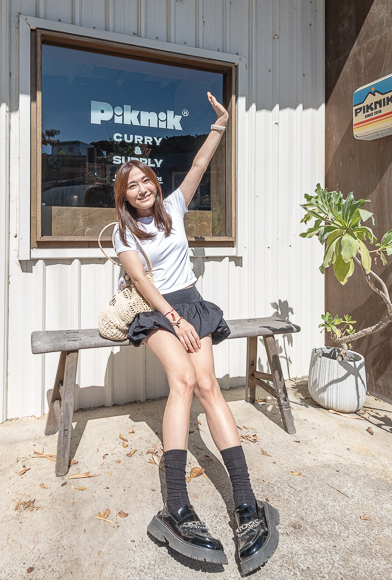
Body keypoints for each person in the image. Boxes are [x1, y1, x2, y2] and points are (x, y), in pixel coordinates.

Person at [112, 92, 273, 574]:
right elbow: (141, 282)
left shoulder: (176, 207)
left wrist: (220, 125)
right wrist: (175, 321)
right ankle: (176, 507)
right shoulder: (124, 233)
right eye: (131, 185)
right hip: (156, 309)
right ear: (123, 196)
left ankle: (245, 501)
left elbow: (201, 162)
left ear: (155, 185)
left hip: (190, 303)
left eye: (145, 181)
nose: (141, 189)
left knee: (208, 386)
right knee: (181, 380)